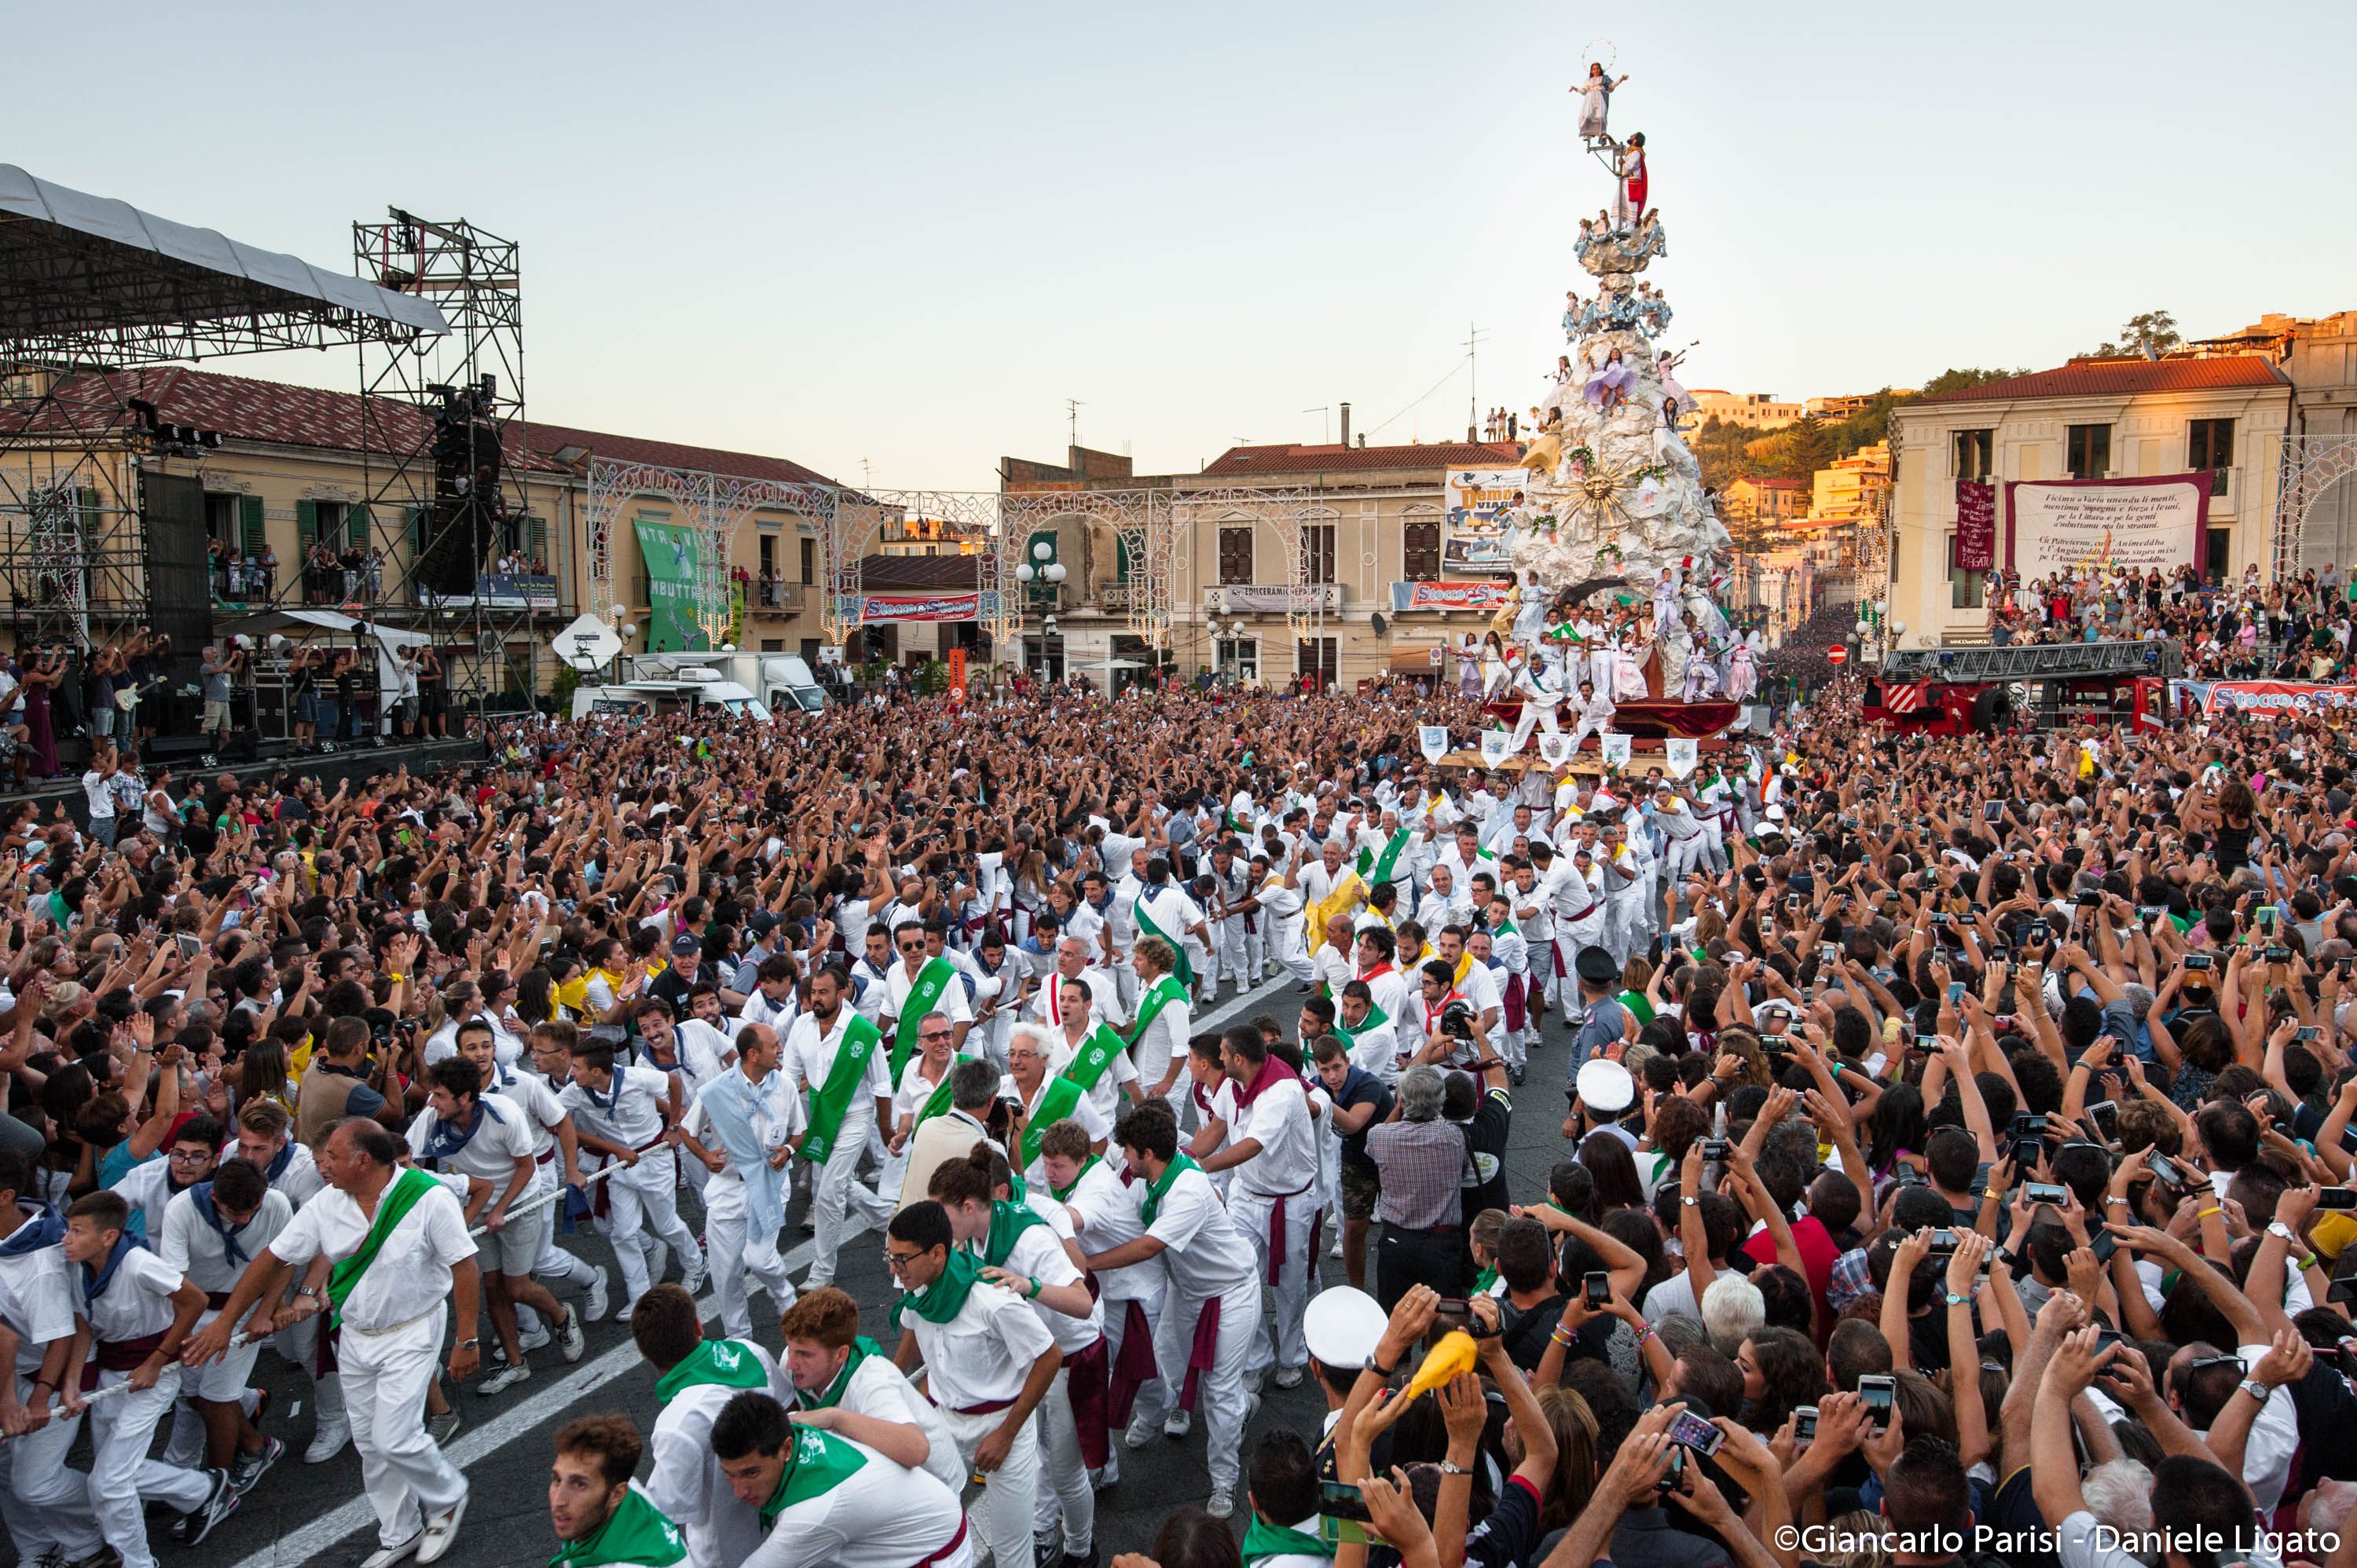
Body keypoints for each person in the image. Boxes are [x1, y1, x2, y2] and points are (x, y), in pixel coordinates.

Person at [184, 1119, 478, 1568]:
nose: (324, 1167)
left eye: (333, 1158)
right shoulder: (327, 1203)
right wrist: (227, 1321)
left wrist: (467, 1339)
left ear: (363, 1160)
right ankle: (400, 1531)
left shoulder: (428, 1197)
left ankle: (448, 1495)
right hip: (356, 1334)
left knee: (395, 1436)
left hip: (415, 1329)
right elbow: (275, 1257)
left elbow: (464, 1266)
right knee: (369, 1442)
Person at [1079, 1101, 1260, 1519]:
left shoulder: (1188, 1191)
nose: (1122, 1157)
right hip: (1188, 1291)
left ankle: (1223, 1480)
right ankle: (1234, 1407)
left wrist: (1086, 1264)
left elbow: (1148, 1245)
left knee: (1217, 1390)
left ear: (1147, 1154)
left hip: (1231, 1292)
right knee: (1168, 1366)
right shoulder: (1157, 1174)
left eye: (1128, 1151)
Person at [61, 1189, 238, 1566]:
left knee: (109, 1480)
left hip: (153, 1375)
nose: (67, 1239)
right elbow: (83, 1328)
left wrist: (157, 1360)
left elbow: (195, 1301)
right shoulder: (76, 1268)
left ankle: (138, 1561)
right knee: (114, 1471)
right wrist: (74, 1383)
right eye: (68, 1230)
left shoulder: (138, 1263)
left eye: (77, 1231)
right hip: (113, 1376)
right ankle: (203, 1489)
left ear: (108, 1236)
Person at [885, 1200, 1060, 1568]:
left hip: (1000, 1424)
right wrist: (889, 1381)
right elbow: (915, 1324)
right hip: (943, 1420)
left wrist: (1007, 1435)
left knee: (1012, 1551)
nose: (894, 1268)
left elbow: (1049, 1357)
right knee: (922, 1526)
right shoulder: (919, 1286)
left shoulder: (992, 1298)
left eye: (902, 1259)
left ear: (937, 1253)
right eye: (890, 1256)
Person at [710, 1389, 971, 1568]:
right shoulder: (785, 1426)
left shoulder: (811, 1516)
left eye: (751, 1473)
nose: (739, 1491)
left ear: (787, 1449)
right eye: (729, 1475)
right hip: (921, 1524)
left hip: (935, 1554)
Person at [631, 1283, 786, 1568]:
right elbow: (794, 1418)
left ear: (643, 1351)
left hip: (726, 1556)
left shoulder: (678, 1422)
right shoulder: (749, 1352)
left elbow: (658, 1521)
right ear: (698, 1326)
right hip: (789, 1532)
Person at [676, 1020, 800, 1340]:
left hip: (770, 1185)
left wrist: (787, 1150)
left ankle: (786, 1297)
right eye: (774, 1045)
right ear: (753, 1054)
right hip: (727, 1189)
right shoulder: (717, 1091)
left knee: (758, 1258)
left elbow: (798, 1132)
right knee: (726, 1271)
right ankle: (738, 1336)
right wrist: (704, 1157)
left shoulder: (784, 1085)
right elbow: (687, 1131)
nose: (781, 1050)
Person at [787, 966, 897, 1290]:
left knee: (830, 1190)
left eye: (824, 992)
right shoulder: (801, 1027)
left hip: (855, 1116)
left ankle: (823, 1273)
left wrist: (885, 1128)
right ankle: (884, 1216)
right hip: (822, 1116)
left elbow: (881, 1085)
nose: (817, 998)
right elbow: (789, 1077)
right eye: (814, 993)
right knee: (838, 1183)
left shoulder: (861, 1032)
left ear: (843, 991)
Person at [548, 1414, 690, 1568]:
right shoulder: (626, 1495)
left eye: (579, 1485)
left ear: (617, 1494)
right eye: (557, 1480)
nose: (558, 1501)